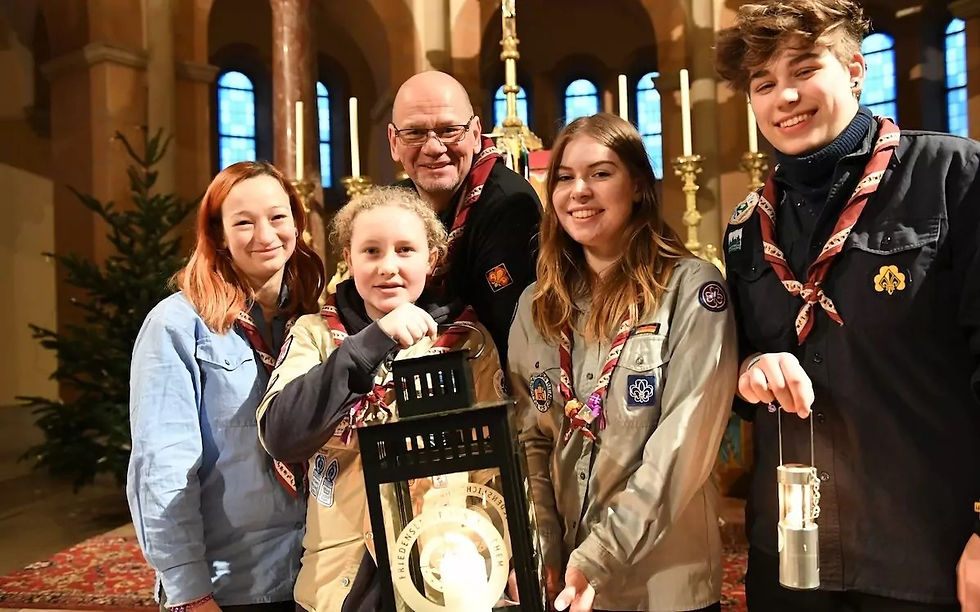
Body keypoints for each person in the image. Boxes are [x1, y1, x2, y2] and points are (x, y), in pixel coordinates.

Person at [715, 1, 980, 610]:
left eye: (804, 70)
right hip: (788, 556)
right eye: (764, 84)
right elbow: (739, 364)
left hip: (920, 552)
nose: (784, 97)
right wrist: (751, 367)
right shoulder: (746, 226)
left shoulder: (952, 175)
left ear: (855, 69)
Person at [507, 112, 737, 612]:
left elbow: (680, 445)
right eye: (565, 177)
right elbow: (530, 438)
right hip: (569, 580)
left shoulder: (692, 289)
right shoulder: (534, 305)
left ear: (637, 186)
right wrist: (543, 543)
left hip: (664, 584)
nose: (579, 190)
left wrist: (600, 554)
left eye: (600, 173)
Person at [256, 186, 506, 612]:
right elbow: (281, 434)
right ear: (348, 261)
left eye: (406, 250)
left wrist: (497, 560)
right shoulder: (315, 336)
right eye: (371, 251)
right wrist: (374, 340)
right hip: (341, 584)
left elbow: (494, 472)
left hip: (444, 573)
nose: (388, 266)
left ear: (433, 258)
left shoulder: (469, 344)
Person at [126, 161, 324, 612]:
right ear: (217, 235)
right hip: (232, 585)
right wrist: (188, 590)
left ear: (297, 222)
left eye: (277, 217)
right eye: (243, 222)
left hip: (319, 576)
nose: (265, 235)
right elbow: (162, 468)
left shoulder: (315, 323)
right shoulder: (177, 326)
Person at [389, 70, 542, 358]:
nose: (433, 148)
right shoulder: (391, 207)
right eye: (414, 133)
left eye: (449, 130)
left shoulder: (510, 203)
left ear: (474, 134)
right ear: (393, 141)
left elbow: (506, 328)